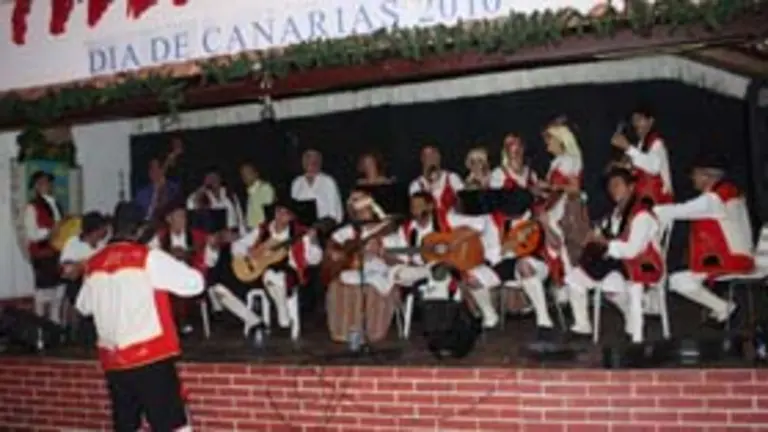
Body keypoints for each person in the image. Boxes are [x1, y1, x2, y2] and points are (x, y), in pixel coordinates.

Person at [76, 201, 204, 432]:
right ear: (140, 229)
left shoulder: (93, 263)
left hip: (114, 362)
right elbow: (195, 284)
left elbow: (83, 306)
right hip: (149, 356)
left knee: (127, 425)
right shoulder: (147, 257)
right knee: (173, 425)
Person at [565, 168, 663, 342]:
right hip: (617, 264)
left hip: (640, 265)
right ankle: (582, 325)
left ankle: (634, 316)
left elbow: (632, 250)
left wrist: (606, 244)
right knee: (574, 277)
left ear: (631, 187)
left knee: (611, 285)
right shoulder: (615, 213)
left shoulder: (641, 215)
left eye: (617, 185)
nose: (613, 189)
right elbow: (604, 235)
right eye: (611, 186)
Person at [654, 155, 753, 325]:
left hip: (731, 258)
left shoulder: (714, 199)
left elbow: (681, 210)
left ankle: (724, 308)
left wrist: (649, 210)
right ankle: (723, 309)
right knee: (681, 278)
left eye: (695, 174)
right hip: (737, 254)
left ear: (707, 176)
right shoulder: (727, 193)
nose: (693, 178)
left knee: (679, 281)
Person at [396, 191, 500, 328]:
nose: (415, 210)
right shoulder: (407, 229)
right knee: (401, 273)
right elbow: (404, 257)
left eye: (419, 206)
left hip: (452, 264)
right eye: (413, 206)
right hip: (424, 268)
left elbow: (481, 224)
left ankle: (489, 314)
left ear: (430, 206)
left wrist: (454, 243)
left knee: (471, 278)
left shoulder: (446, 219)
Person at [229, 196, 323, 339]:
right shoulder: (262, 230)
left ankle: (283, 314)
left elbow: (315, 260)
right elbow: (237, 246)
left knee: (272, 275)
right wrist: (251, 252)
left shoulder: (299, 233)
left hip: (289, 273)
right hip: (257, 272)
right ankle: (266, 319)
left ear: (291, 217)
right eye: (278, 211)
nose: (280, 216)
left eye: (285, 213)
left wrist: (314, 241)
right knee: (222, 286)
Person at [149, 201, 220, 334]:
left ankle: (182, 322)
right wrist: (168, 255)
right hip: (166, 279)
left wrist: (213, 248)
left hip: (191, 277)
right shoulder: (159, 237)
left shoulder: (198, 237)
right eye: (179, 216)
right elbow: (150, 258)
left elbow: (210, 262)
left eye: (184, 216)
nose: (183, 220)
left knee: (182, 286)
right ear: (169, 219)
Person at [610, 105, 673, 205]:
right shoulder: (641, 145)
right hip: (645, 201)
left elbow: (653, 167)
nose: (636, 124)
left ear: (651, 121)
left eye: (639, 119)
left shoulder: (656, 142)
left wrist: (628, 147)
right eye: (634, 121)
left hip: (660, 202)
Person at [60, 212, 110, 336]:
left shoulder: (102, 246)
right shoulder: (74, 243)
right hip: (79, 285)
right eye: (103, 228)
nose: (106, 231)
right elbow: (67, 271)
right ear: (94, 230)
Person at [25, 170, 65, 324]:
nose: (47, 185)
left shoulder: (57, 204)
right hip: (42, 254)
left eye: (48, 182)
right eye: (43, 182)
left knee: (58, 291)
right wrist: (50, 232)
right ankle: (40, 326)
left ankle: (55, 324)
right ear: (36, 186)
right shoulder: (32, 207)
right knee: (43, 292)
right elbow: (31, 233)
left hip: (57, 252)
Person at [290, 149, 343, 222]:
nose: (310, 163)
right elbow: (293, 208)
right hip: (302, 225)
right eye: (307, 159)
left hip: (324, 224)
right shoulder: (297, 182)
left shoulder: (328, 181)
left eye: (314, 161)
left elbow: (335, 210)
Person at [134, 142, 182, 221]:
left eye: (158, 168)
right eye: (152, 170)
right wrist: (156, 193)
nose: (156, 173)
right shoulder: (142, 194)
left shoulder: (174, 188)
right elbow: (146, 217)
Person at [187, 168, 245, 233]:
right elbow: (190, 206)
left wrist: (242, 235)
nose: (213, 180)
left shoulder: (230, 194)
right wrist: (202, 190)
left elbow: (240, 218)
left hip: (233, 234)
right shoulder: (202, 196)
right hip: (213, 236)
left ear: (220, 178)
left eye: (215, 177)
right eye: (210, 177)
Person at [408, 145, 464, 213]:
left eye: (433, 156)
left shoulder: (452, 178)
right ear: (422, 159)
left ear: (439, 157)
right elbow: (416, 210)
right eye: (427, 156)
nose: (431, 159)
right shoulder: (416, 185)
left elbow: (463, 202)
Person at [240, 163, 275, 230]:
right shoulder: (250, 191)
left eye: (248, 173)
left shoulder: (265, 188)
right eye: (242, 174)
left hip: (262, 230)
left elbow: (270, 214)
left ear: (256, 173)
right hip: (252, 231)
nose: (245, 177)